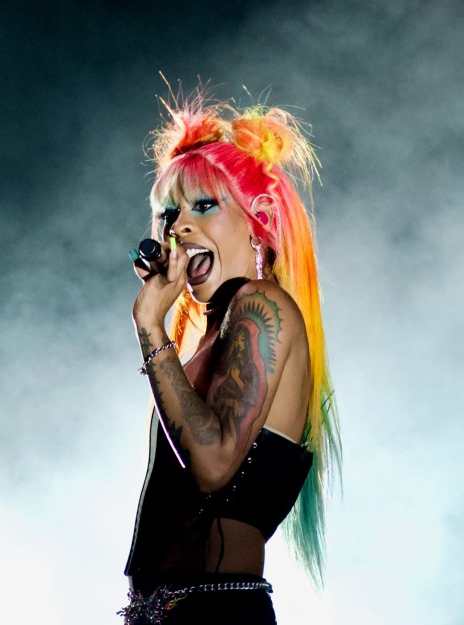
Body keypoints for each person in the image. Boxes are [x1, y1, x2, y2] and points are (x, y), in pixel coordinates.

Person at [122, 93, 340, 625]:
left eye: (204, 206)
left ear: (257, 220)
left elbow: (215, 465)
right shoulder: (201, 345)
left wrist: (150, 326)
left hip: (216, 611)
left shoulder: (263, 306)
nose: (178, 227)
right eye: (169, 213)